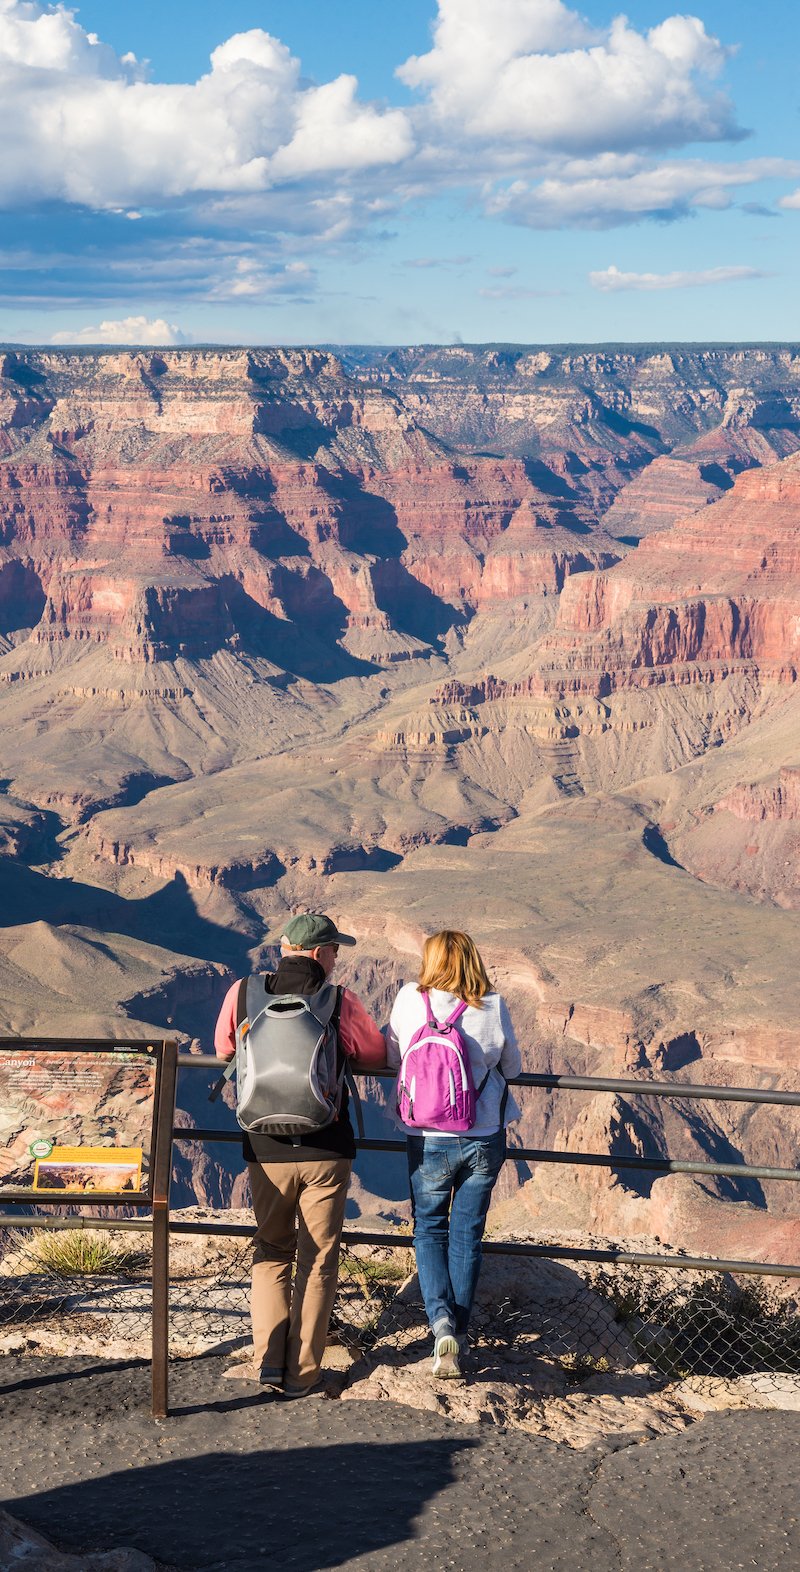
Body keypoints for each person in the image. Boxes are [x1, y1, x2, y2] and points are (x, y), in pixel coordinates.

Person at [214, 911, 385, 1397]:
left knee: (270, 1253)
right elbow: (372, 1055)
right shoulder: (338, 998)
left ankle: (268, 1362)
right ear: (317, 953)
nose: (336, 959)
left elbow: (224, 1048)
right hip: (325, 1148)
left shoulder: (242, 992)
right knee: (316, 1260)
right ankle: (303, 1373)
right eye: (334, 950)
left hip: (264, 1148)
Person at [385, 930, 522, 1379]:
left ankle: (439, 1322)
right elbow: (513, 1068)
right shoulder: (492, 1006)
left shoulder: (409, 998)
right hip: (482, 1135)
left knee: (428, 1227)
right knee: (467, 1233)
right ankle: (457, 1338)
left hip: (426, 1136)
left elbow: (394, 1055)